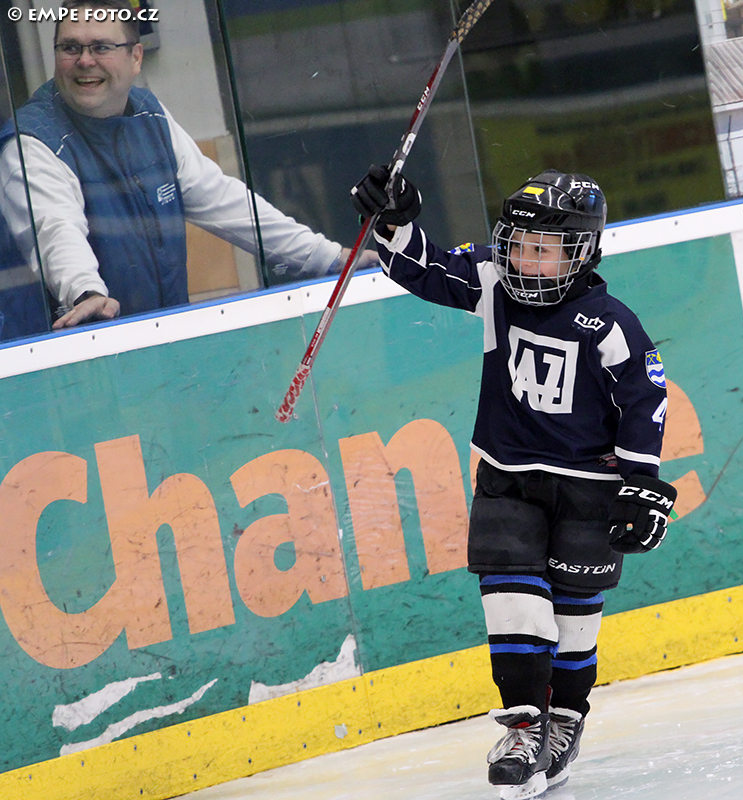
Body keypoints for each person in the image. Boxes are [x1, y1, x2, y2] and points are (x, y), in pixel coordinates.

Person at [351, 164, 678, 799]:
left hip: (589, 488)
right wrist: (394, 221)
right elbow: (426, 269)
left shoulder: (610, 323)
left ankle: (567, 719)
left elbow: (644, 400)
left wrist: (641, 483)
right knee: (510, 600)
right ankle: (526, 727)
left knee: (574, 619)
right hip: (508, 477)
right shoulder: (494, 282)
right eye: (518, 245)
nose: (526, 261)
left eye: (543, 250)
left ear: (581, 253)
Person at [0, 0, 363, 331]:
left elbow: (226, 202)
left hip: (159, 340)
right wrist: (86, 293)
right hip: (67, 354)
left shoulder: (149, 114)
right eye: (70, 47)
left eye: (101, 47)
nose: (84, 61)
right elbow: (55, 229)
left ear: (136, 57)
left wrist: (331, 258)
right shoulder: (31, 141)